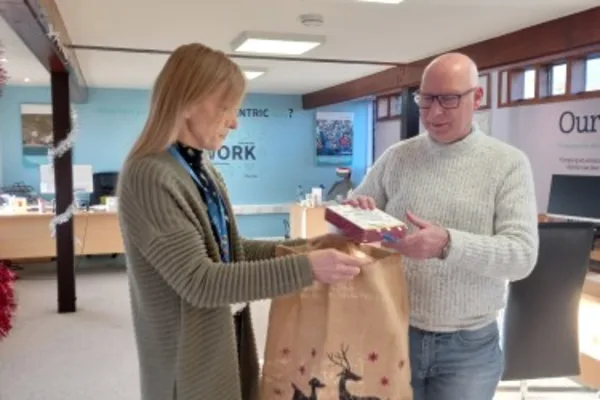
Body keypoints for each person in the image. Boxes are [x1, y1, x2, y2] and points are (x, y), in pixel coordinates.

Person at [117, 43, 368, 400]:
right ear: (186, 102)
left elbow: (233, 253)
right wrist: (307, 268)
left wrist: (312, 246)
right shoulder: (150, 175)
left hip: (225, 337)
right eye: (225, 108)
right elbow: (200, 282)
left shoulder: (202, 170)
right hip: (186, 363)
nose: (234, 122)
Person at [346, 52, 539, 400]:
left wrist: (448, 244)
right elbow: (348, 227)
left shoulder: (508, 164)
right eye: (426, 99)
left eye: (448, 99)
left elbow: (521, 257)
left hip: (468, 349)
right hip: (394, 330)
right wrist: (353, 215)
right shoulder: (397, 157)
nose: (434, 113)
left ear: (476, 97)